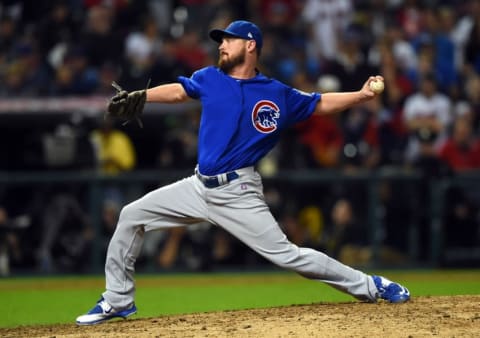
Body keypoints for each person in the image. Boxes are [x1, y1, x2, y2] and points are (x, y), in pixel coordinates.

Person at [76, 20, 410, 326]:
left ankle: (371, 285)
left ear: (250, 45)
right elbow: (180, 91)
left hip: (239, 193)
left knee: (289, 256)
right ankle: (118, 300)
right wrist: (142, 96)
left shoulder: (276, 93)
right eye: (220, 41)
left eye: (228, 40)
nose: (221, 45)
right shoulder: (210, 78)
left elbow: (320, 103)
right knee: (131, 215)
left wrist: (362, 95)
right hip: (197, 186)